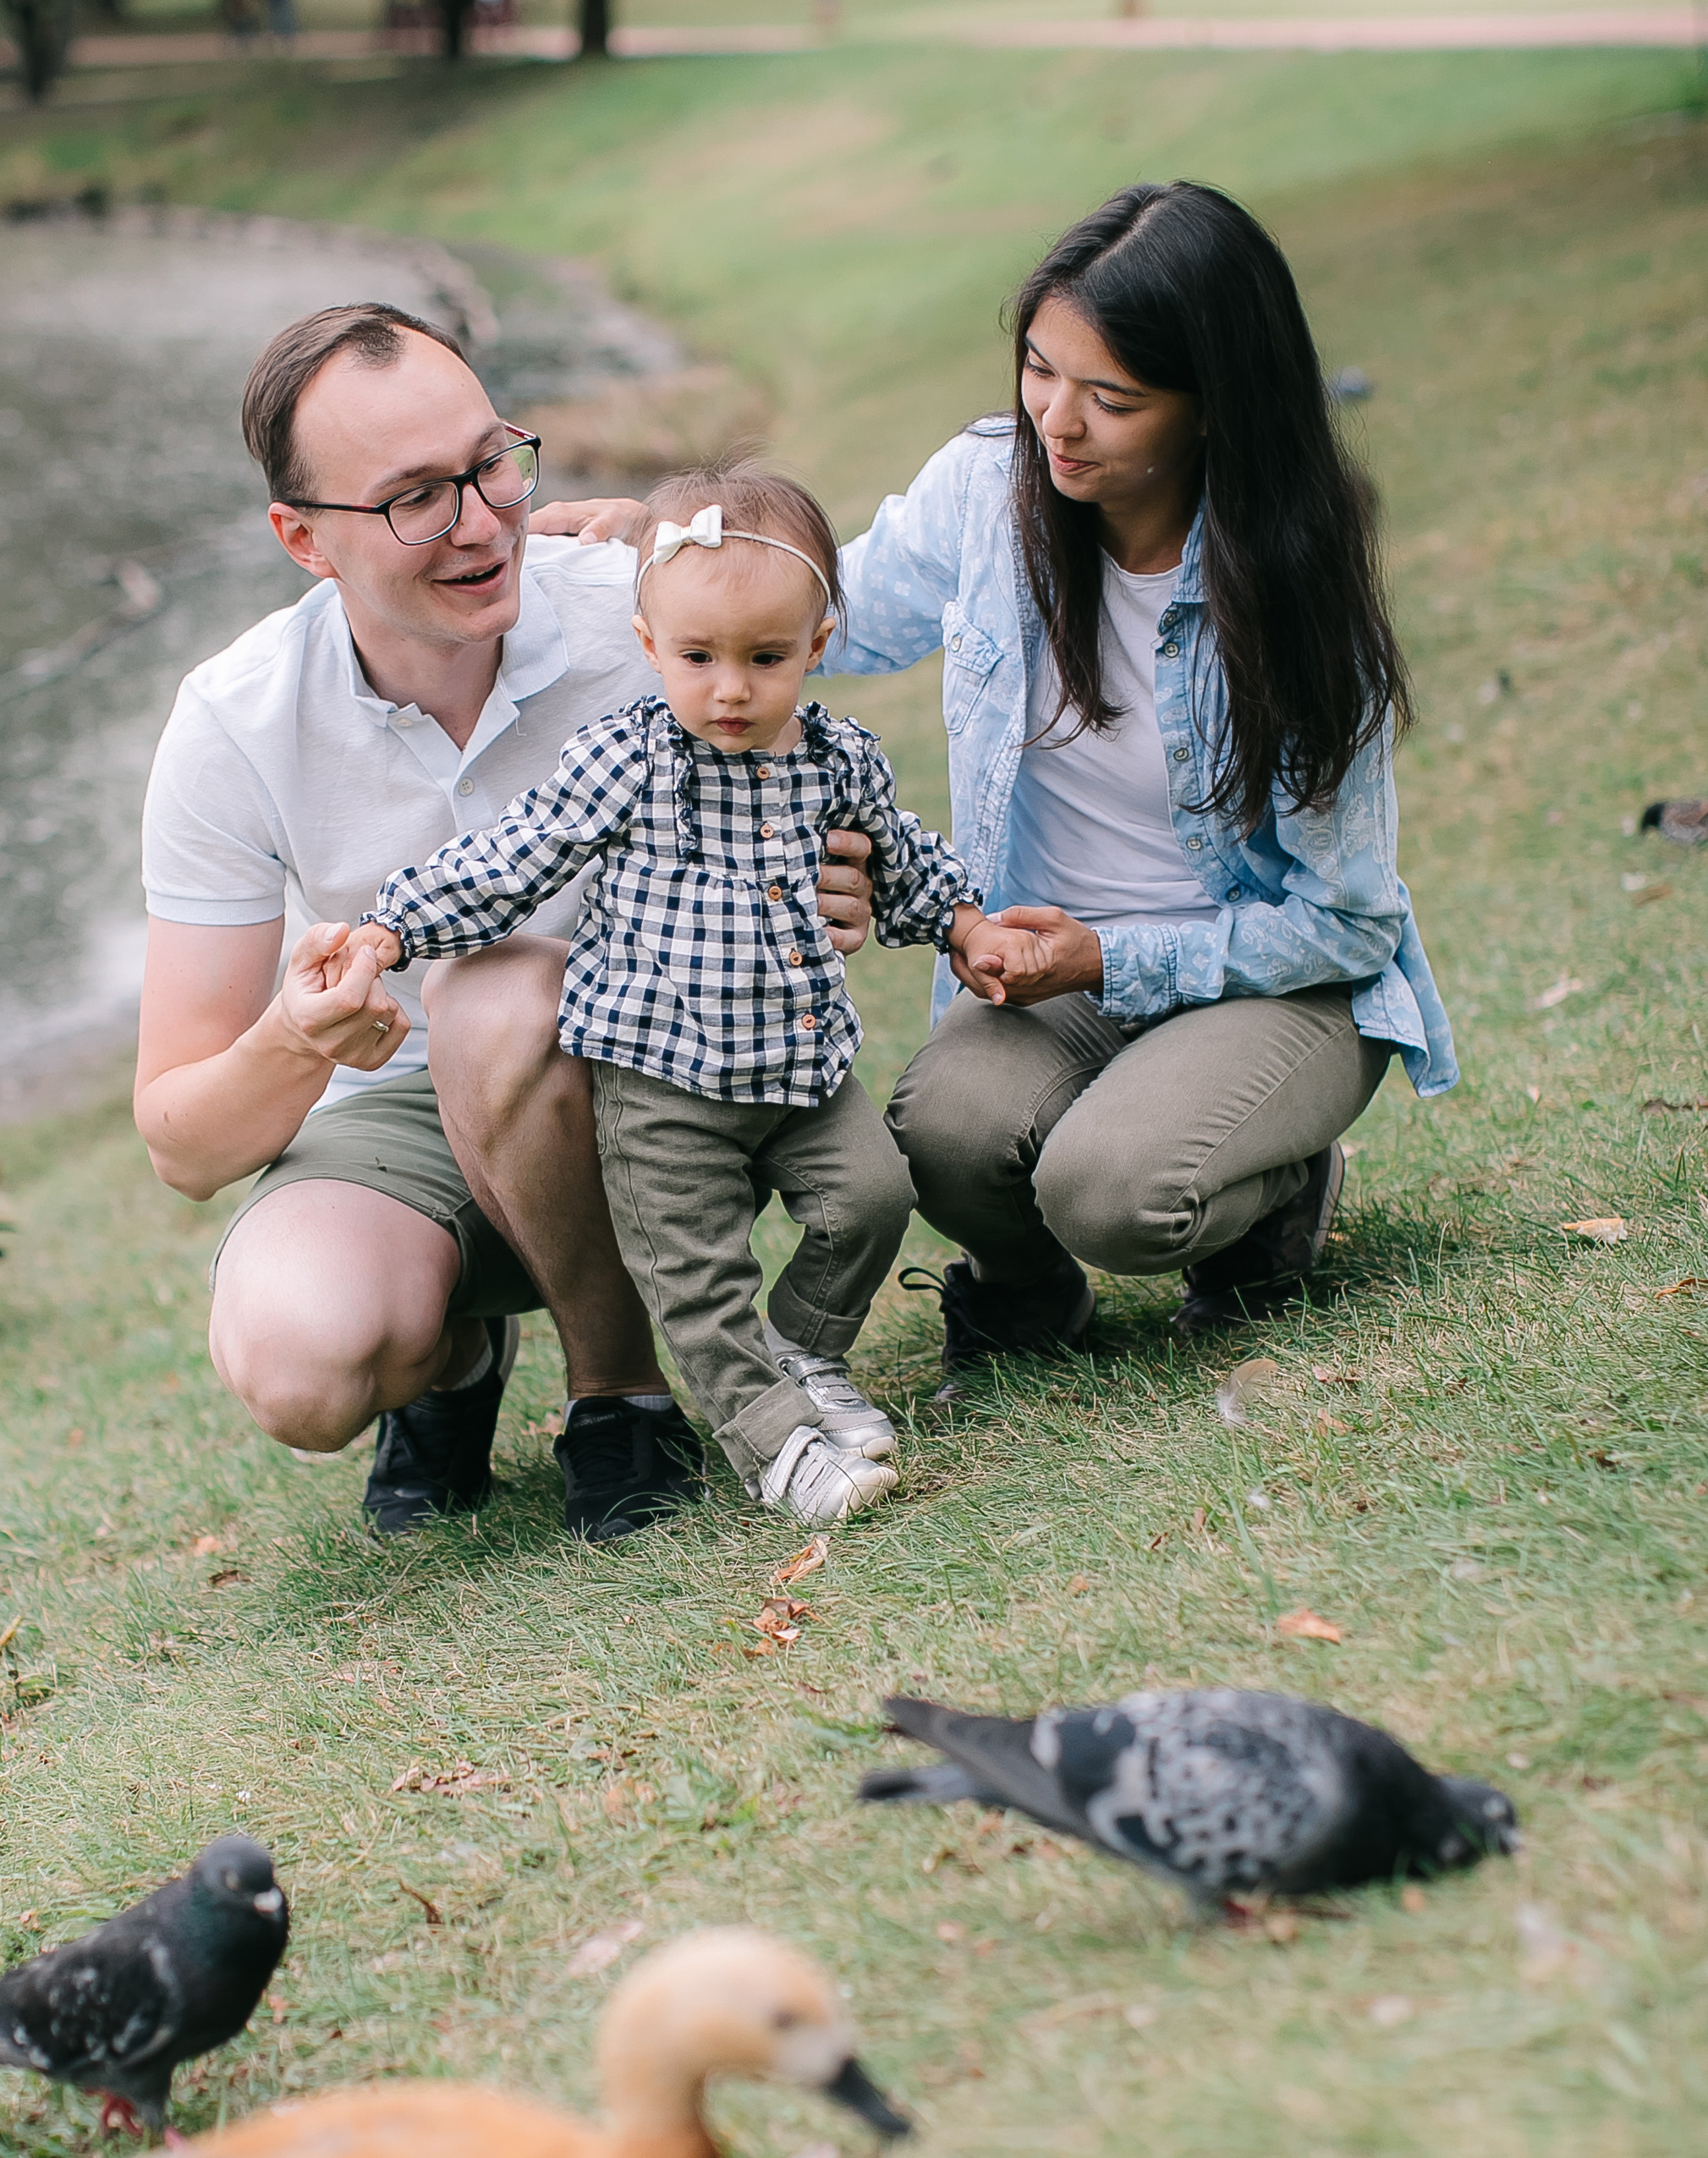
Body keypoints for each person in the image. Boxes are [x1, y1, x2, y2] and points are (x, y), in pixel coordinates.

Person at [540, 182, 1455, 1372]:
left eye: (1111, 398)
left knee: (1114, 1192)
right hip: (1048, 975)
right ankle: (1027, 1294)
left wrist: (1112, 957)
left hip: (1271, 983)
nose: (1056, 421)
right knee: (935, 1136)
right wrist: (668, 546)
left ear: (1214, 406)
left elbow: (1348, 921)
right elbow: (822, 614)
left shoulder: (1293, 594)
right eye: (1039, 369)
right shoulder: (991, 490)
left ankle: (1272, 1192)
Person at [132, 302, 873, 1540]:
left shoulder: (650, 622)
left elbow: (824, 804)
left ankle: (621, 1394)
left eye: (489, 463)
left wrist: (829, 879)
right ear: (303, 539)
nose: (482, 522)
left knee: (496, 988)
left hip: (675, 1078)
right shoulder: (233, 724)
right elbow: (183, 1143)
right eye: (416, 497)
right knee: (300, 1362)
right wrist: (303, 1035)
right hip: (414, 1108)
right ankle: (455, 1359)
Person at [349, 475, 1008, 1524]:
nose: (731, 690)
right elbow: (518, 856)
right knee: (698, 1283)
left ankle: (802, 1354)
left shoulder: (840, 761)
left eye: (765, 658)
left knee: (872, 1198)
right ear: (651, 646)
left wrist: (965, 924)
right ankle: (778, 1450)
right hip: (662, 1083)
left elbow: (902, 858)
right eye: (699, 659)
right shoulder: (629, 758)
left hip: (803, 1069)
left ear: (816, 642)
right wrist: (394, 924)